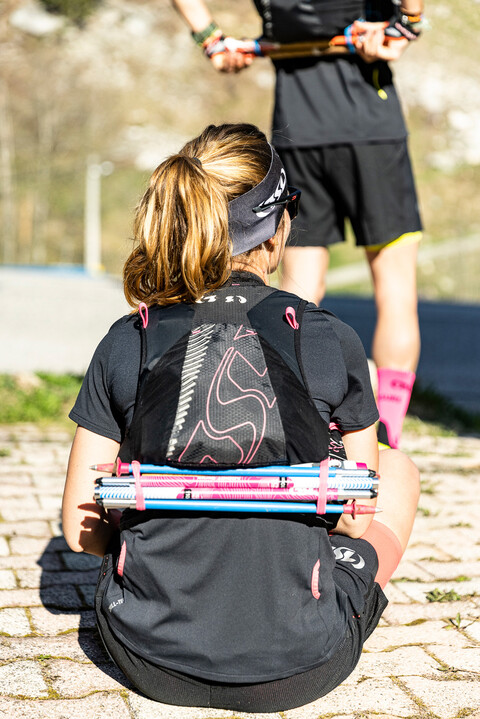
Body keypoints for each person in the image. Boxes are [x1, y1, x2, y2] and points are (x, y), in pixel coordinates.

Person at [62, 123, 419, 712]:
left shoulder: (128, 341)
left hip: (145, 658)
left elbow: (84, 534)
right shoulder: (331, 340)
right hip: (304, 663)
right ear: (278, 233)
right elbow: (356, 524)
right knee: (398, 470)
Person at [171, 0, 425, 451]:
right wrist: (408, 23)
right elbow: (405, 18)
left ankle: (288, 416)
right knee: (395, 286)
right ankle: (388, 439)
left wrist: (207, 36)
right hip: (373, 130)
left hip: (299, 130)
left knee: (299, 289)